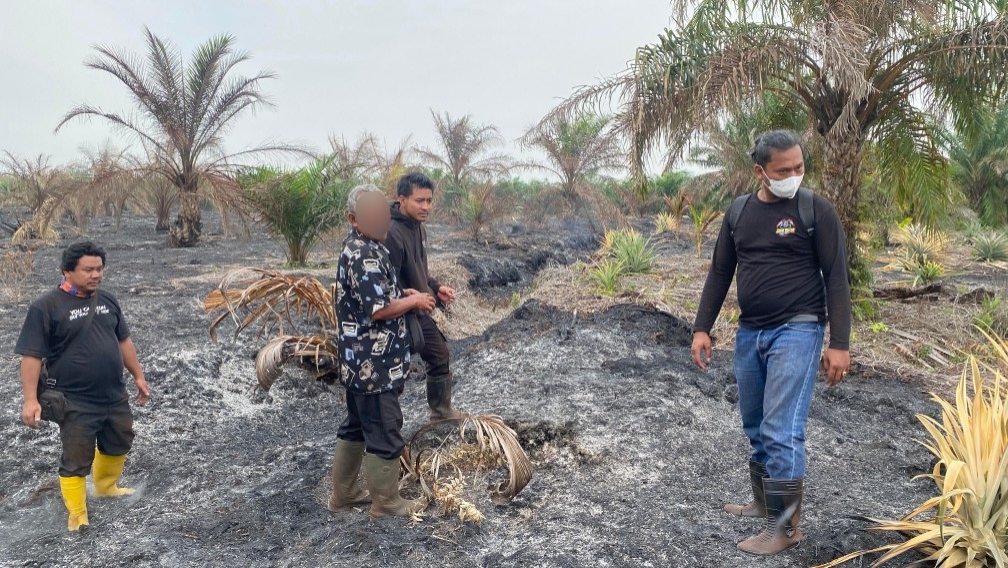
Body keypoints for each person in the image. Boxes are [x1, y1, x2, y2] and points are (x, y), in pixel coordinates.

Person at [690, 130, 852, 555]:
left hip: (799, 329)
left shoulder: (815, 209)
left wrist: (840, 342)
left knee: (782, 429)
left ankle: (785, 527)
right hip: (750, 332)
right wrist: (702, 327)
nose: (794, 176)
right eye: (784, 170)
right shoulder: (740, 212)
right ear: (760, 172)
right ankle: (764, 503)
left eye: (799, 167)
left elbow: (836, 276)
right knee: (755, 424)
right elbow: (720, 271)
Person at [15, 241, 150, 531]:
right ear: (67, 271)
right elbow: (31, 356)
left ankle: (105, 487)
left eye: (99, 268)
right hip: (73, 399)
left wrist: (138, 375)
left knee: (120, 441)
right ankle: (77, 513)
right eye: (88, 269)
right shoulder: (45, 307)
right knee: (76, 455)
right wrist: (30, 400)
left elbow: (123, 340)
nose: (96, 275)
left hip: (114, 394)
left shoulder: (108, 300)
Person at [328, 184, 436, 519]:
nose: (381, 219)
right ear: (353, 218)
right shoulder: (363, 253)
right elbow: (378, 309)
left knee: (357, 426)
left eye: (382, 212)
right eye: (371, 214)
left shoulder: (366, 246)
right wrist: (415, 300)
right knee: (386, 429)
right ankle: (386, 503)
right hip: (374, 366)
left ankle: (344, 494)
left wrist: (400, 291)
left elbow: (375, 294)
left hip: (360, 362)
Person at [385, 172, 462, 421]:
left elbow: (419, 270)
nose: (426, 206)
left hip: (419, 310)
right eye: (420, 200)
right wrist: (410, 300)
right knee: (393, 371)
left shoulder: (418, 228)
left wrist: (436, 288)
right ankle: (384, 425)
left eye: (429, 201)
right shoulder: (391, 233)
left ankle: (440, 411)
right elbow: (386, 284)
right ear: (402, 199)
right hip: (397, 314)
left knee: (439, 354)